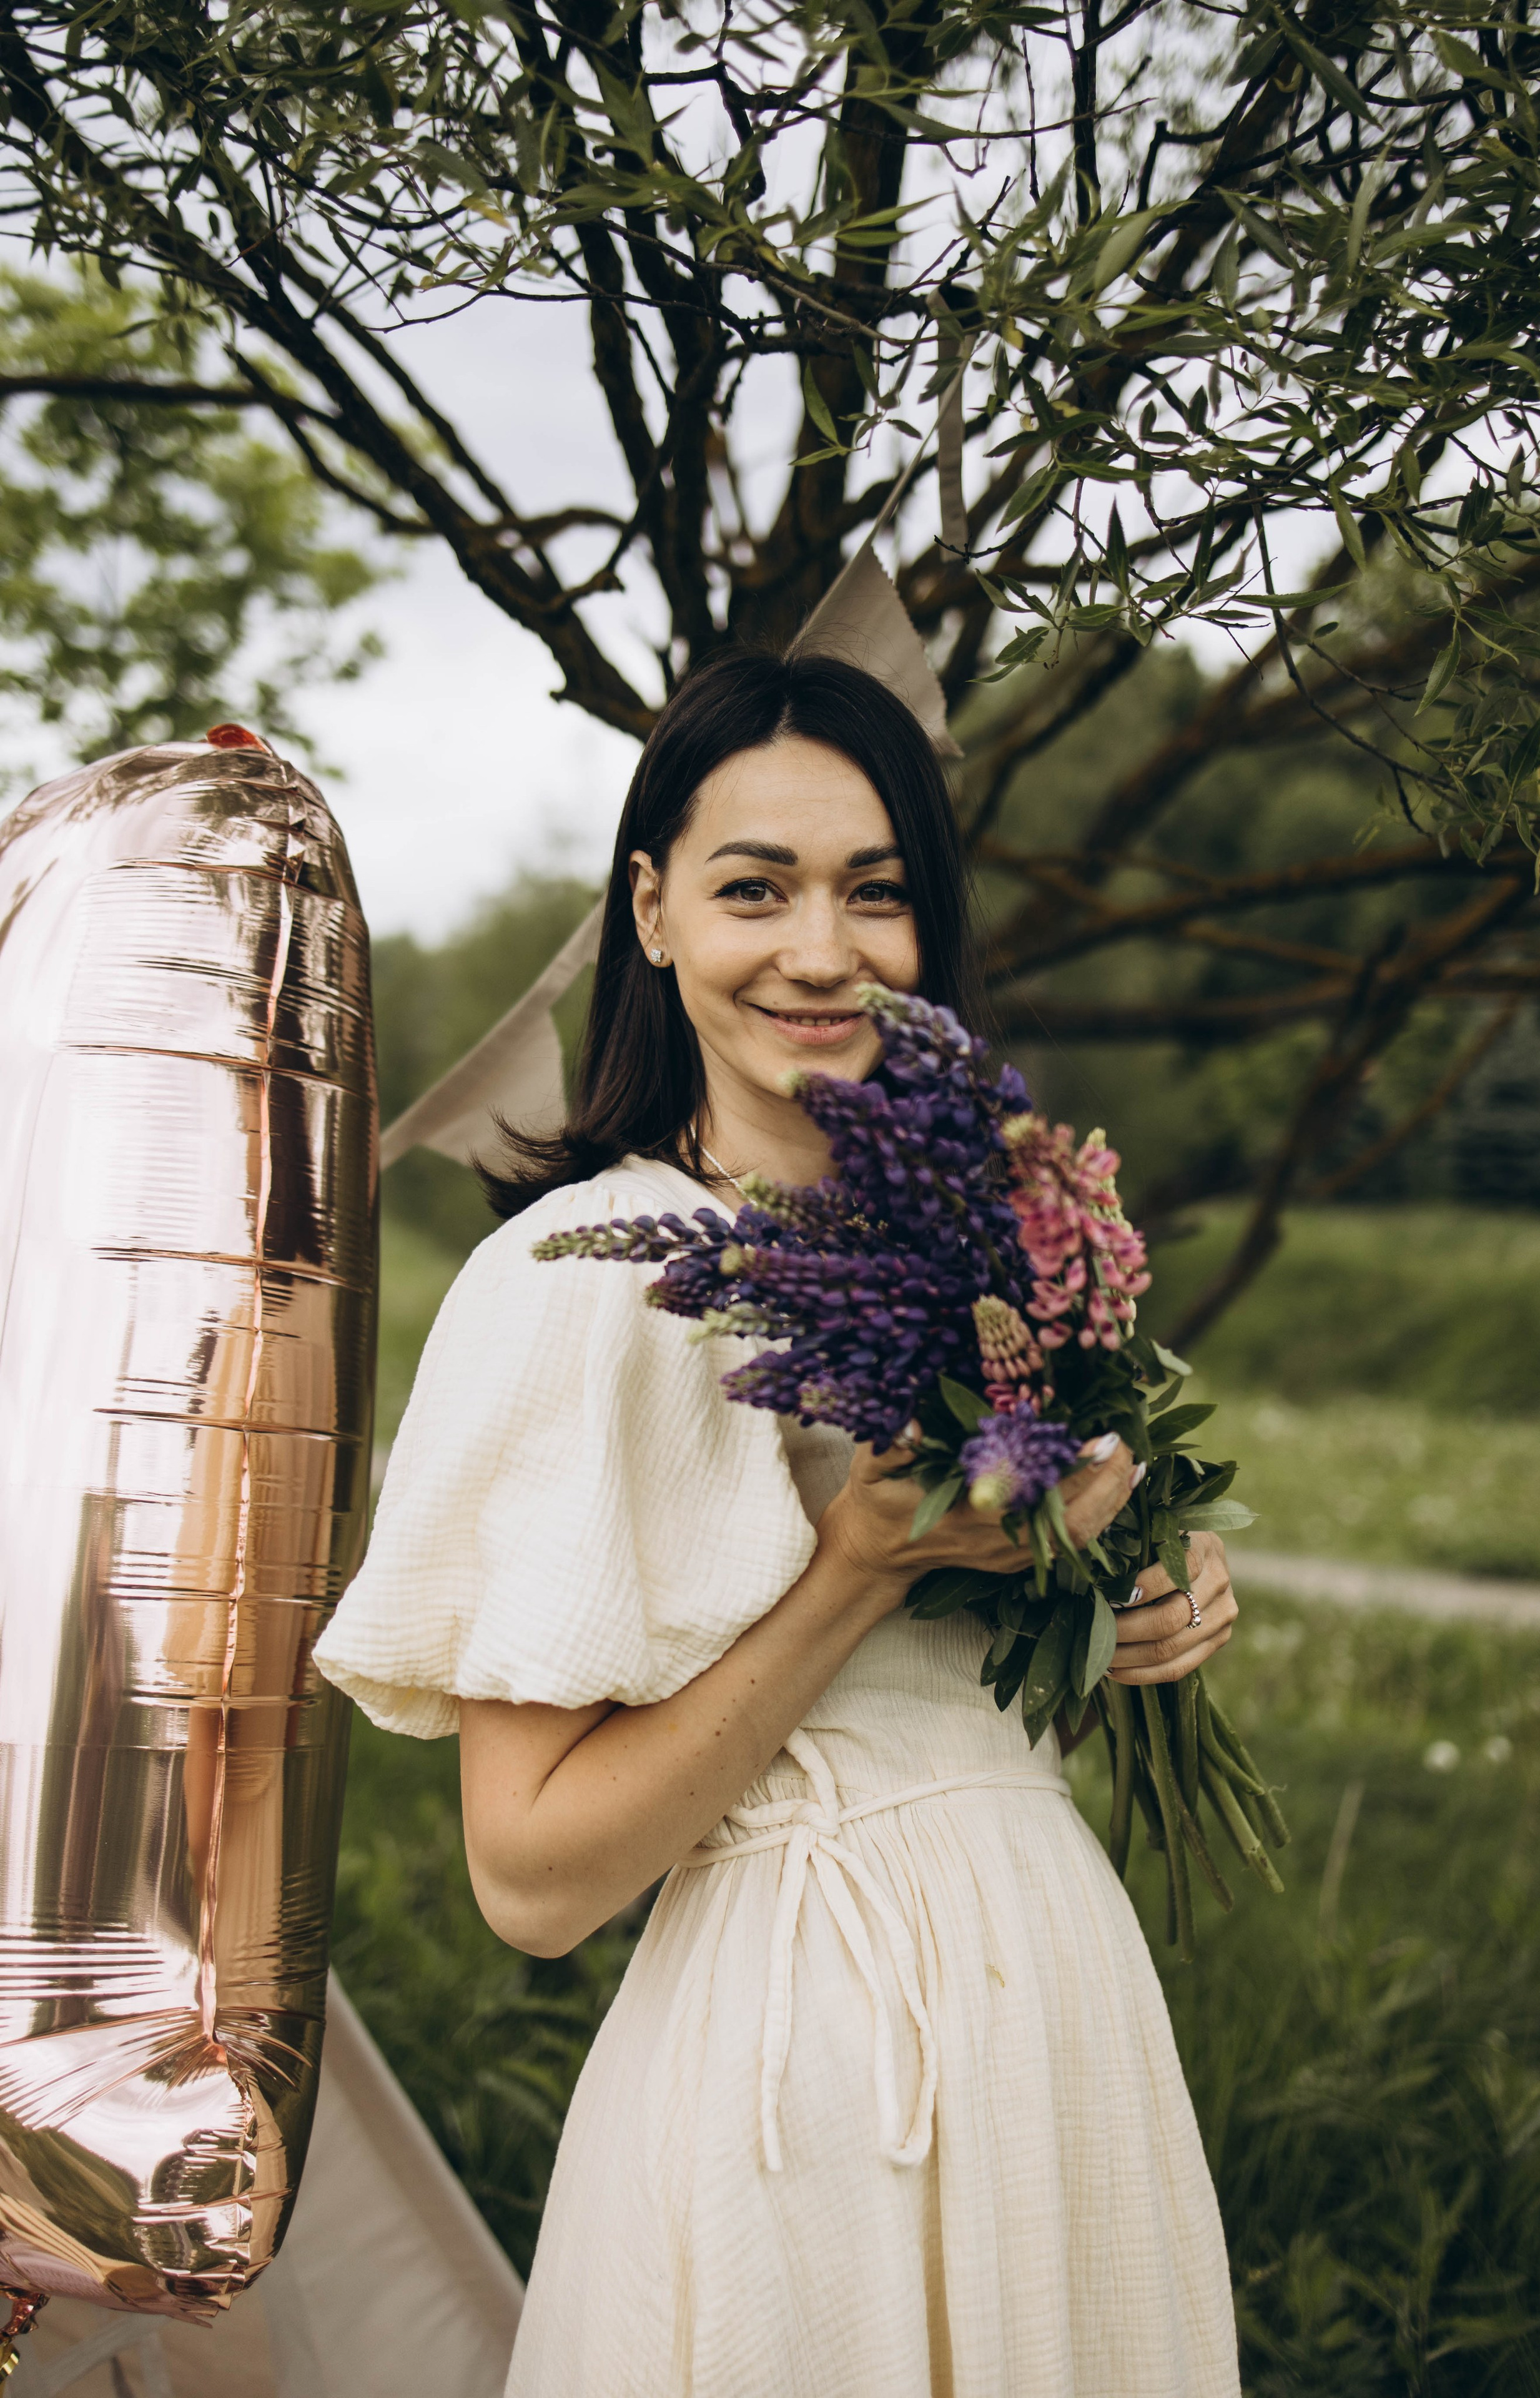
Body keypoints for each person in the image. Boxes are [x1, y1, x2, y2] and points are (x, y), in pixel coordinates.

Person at [315, 649, 1243, 2397]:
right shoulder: (578, 1290)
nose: (822, 951)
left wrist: (1123, 1593)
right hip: (808, 2069)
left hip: (1053, 2013)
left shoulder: (982, 1263)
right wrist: (853, 1573)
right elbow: (531, 1878)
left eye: (876, 894)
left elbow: (955, 1689)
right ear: (653, 913)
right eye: (757, 889)